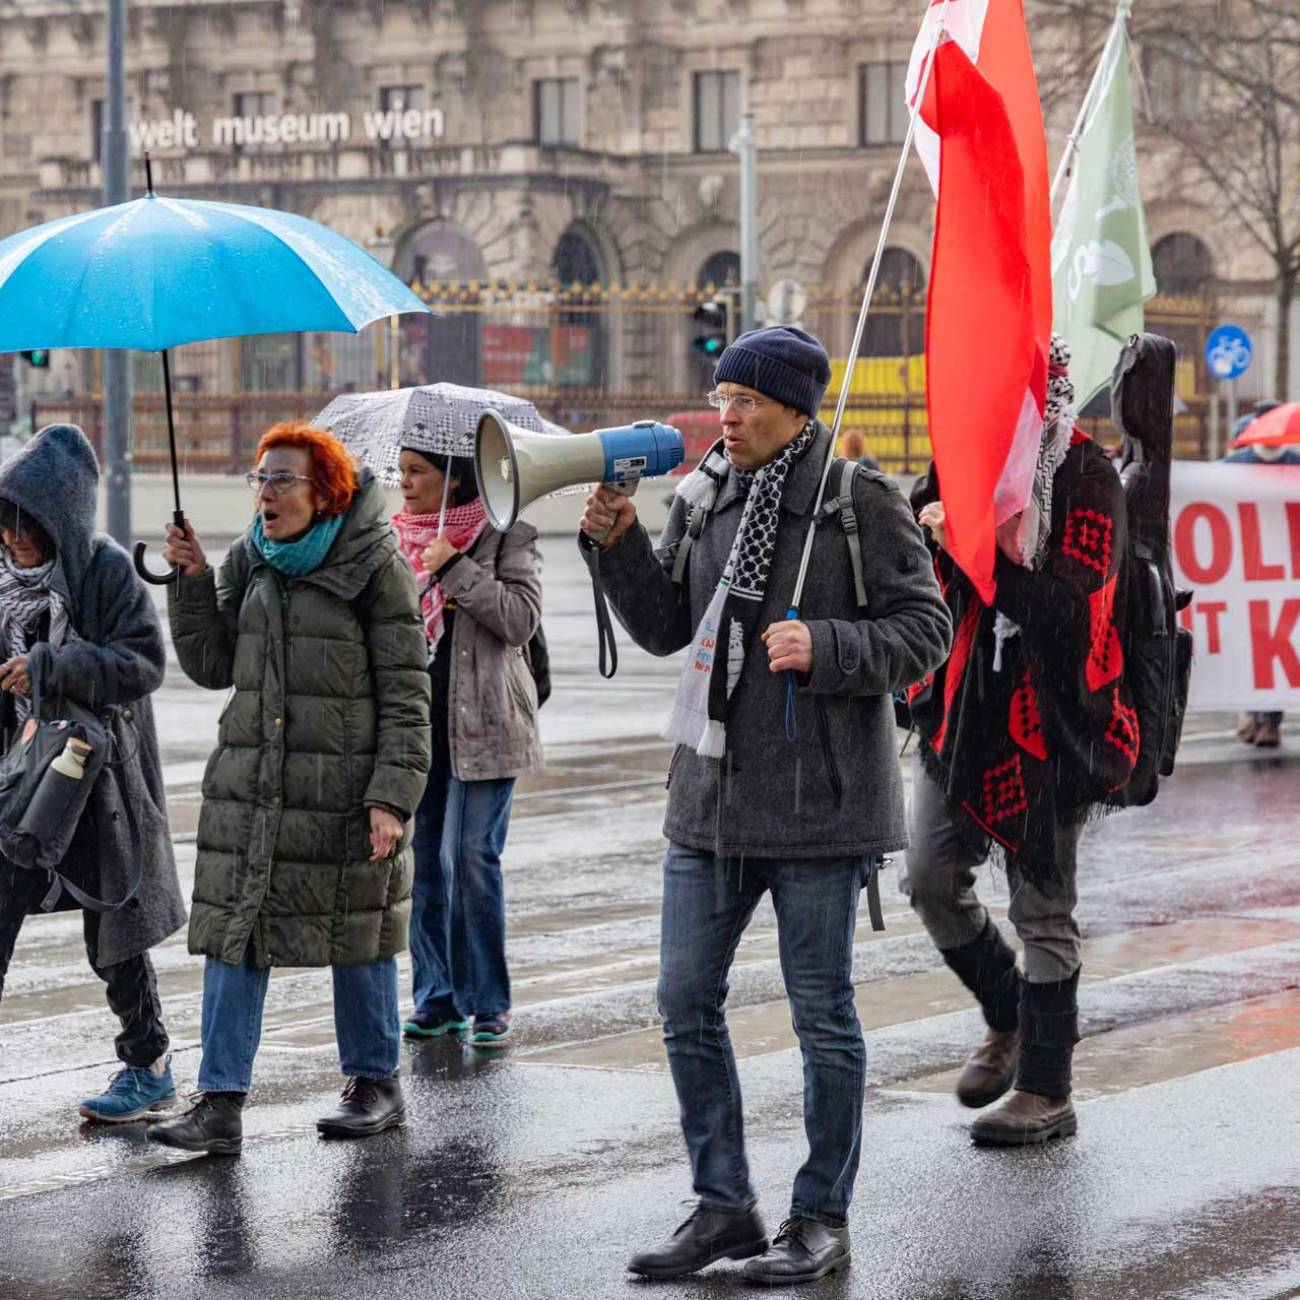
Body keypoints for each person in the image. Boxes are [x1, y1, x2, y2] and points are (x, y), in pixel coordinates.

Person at [580, 325, 952, 1284]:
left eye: (746, 400)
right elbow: (667, 626)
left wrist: (827, 646)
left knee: (822, 1016)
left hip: (820, 806)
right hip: (708, 799)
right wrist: (618, 549)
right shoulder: (704, 494)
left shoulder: (855, 500)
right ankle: (723, 1206)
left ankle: (820, 1216)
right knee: (682, 1002)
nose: (727, 415)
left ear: (797, 407)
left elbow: (926, 629)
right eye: (722, 396)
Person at [149, 421, 431, 1156]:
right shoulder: (253, 559)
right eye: (260, 479)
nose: (267, 493)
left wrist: (391, 795)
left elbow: (407, 693)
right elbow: (214, 664)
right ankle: (219, 1103)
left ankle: (375, 1082)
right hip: (253, 785)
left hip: (343, 787)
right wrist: (190, 581)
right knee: (235, 935)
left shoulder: (375, 566)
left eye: (283, 480)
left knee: (357, 931)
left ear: (325, 490)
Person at [902, 335, 1137, 1146]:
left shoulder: (1085, 475)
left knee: (1043, 907)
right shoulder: (962, 459)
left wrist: (970, 558)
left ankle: (1046, 1087)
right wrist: (926, 532)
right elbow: (915, 554)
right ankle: (1007, 1015)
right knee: (929, 875)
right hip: (965, 708)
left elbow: (1068, 613)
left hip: (1058, 722)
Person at [0, 423, 186, 1124]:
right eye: (5, 523)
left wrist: (53, 666)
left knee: (114, 937)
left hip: (92, 779)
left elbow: (143, 664)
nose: (14, 540)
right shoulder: (2, 580)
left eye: (27, 526)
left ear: (62, 519)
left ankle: (149, 1064)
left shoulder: (104, 570)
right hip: (20, 779)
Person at [392, 445, 542, 1048]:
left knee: (469, 859)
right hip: (417, 728)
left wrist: (454, 567)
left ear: (452, 477)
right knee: (424, 866)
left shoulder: (509, 534)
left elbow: (519, 620)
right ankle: (437, 998)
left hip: (487, 724)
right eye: (400, 471)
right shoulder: (397, 539)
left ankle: (489, 1003)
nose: (403, 483)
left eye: (416, 472)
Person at [1223, 402, 1293, 748]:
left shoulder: (1295, 464)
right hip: (1244, 568)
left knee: (1279, 643)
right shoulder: (1235, 466)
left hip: (1286, 570)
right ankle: (1254, 711)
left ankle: (1271, 720)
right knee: (1253, 644)